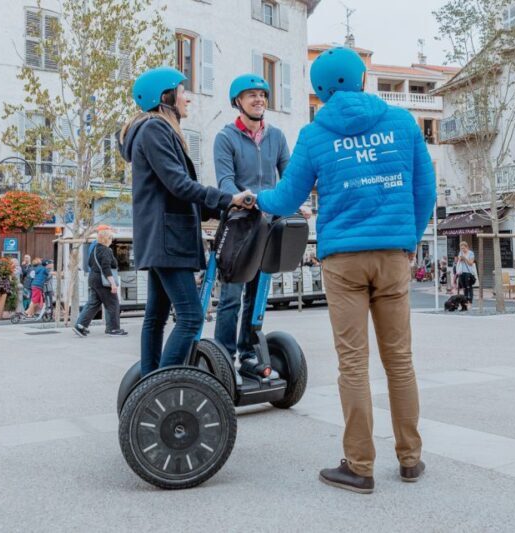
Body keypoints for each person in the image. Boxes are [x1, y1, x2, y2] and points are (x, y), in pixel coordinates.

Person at [256, 47, 436, 493]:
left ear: (319, 89)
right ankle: (410, 459)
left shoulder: (315, 135)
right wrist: (408, 239)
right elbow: (424, 189)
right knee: (400, 362)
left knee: (353, 365)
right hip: (393, 255)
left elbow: (283, 199)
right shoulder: (401, 123)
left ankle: (359, 465)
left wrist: (251, 198)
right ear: (361, 79)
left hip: (343, 262)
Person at [119, 66, 255, 376]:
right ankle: (164, 385)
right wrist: (227, 198)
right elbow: (178, 184)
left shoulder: (153, 130)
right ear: (165, 97)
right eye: (182, 92)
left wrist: (217, 209)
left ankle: (150, 382)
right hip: (169, 240)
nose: (188, 99)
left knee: (156, 315)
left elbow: (173, 192)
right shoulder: (155, 130)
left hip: (162, 236)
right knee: (191, 316)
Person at [212, 73, 311, 377]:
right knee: (231, 296)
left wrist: (298, 203)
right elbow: (225, 180)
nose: (259, 100)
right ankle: (224, 356)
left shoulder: (277, 137)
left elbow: (290, 176)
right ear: (238, 102)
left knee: (257, 294)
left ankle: (249, 354)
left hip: (268, 224)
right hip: (240, 225)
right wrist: (242, 197)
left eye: (263, 95)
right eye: (251, 95)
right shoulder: (225, 137)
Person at [74, 228, 126, 337]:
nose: (112, 240)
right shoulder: (106, 250)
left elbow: (89, 263)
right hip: (103, 280)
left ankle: (80, 326)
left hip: (93, 278)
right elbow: (106, 267)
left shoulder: (94, 249)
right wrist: (112, 283)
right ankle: (113, 329)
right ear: (107, 238)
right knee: (113, 303)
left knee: (93, 303)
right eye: (111, 237)